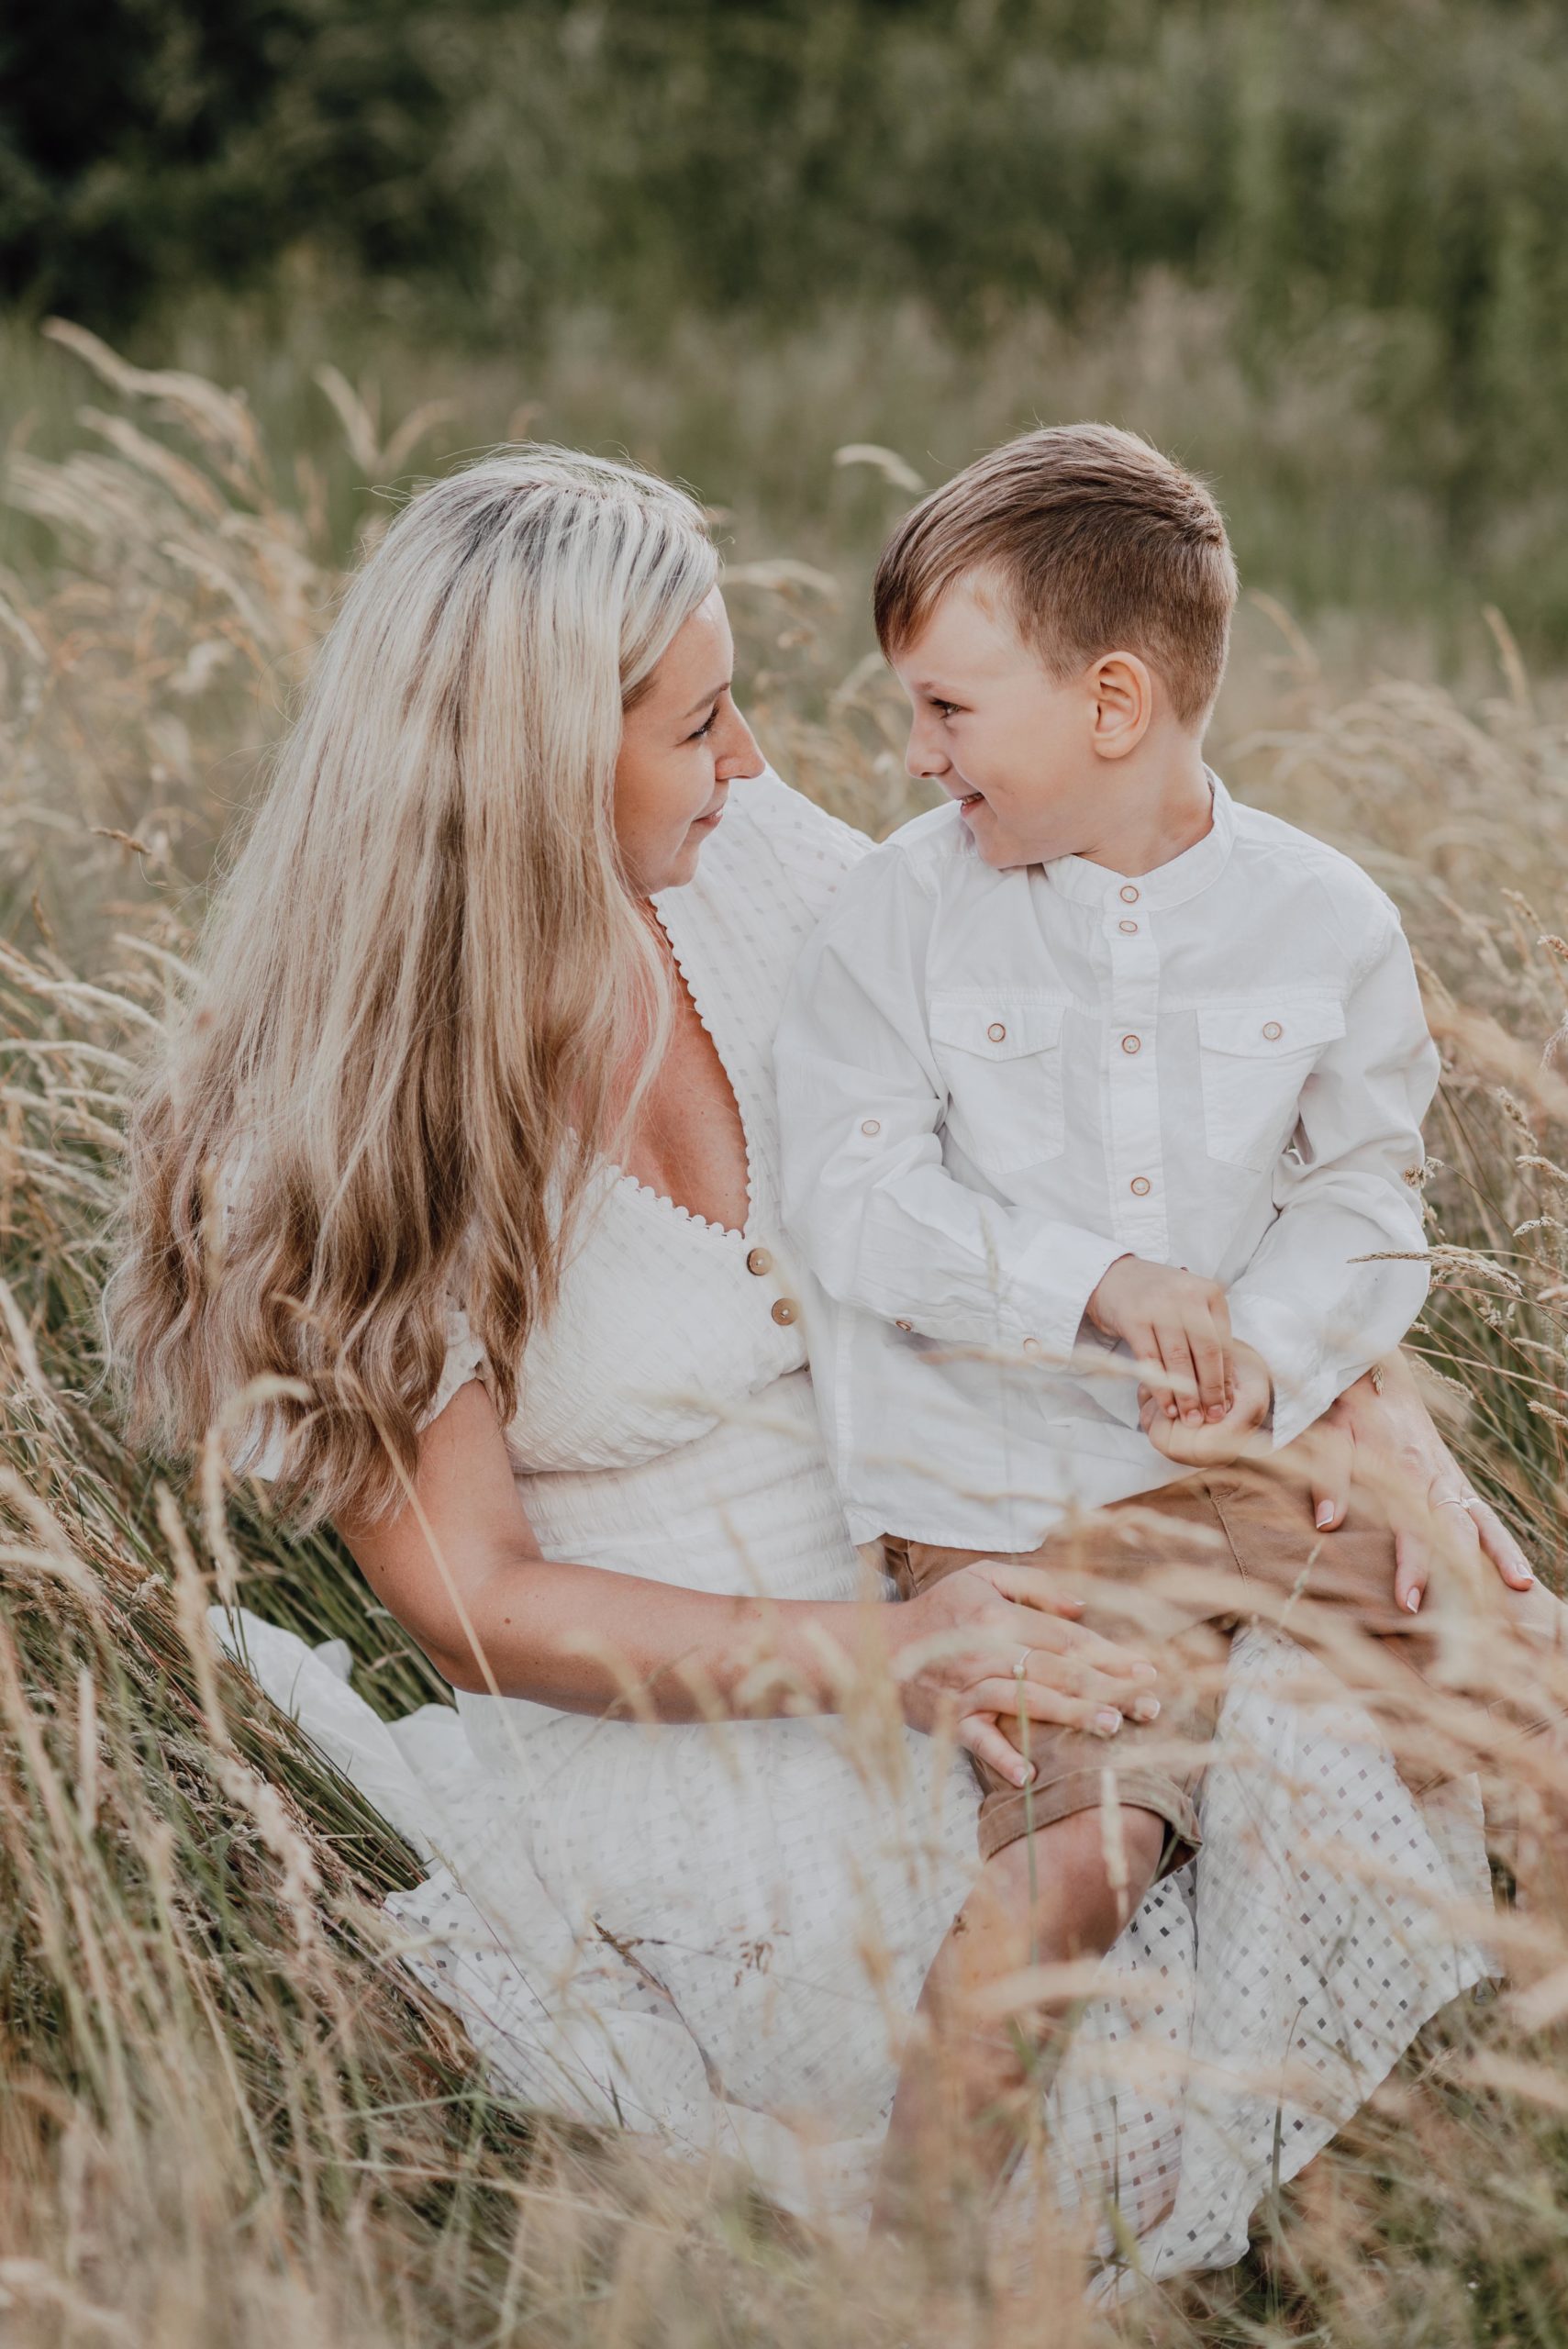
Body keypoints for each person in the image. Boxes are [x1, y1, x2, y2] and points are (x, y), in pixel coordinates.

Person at [106, 445, 1531, 2283]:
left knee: (1467, 1665)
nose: (750, 762)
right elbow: (473, 1601)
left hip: (1030, 1505)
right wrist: (897, 1654)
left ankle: (1498, 2214)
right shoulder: (337, 1130)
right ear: (542, 766)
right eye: (699, 725)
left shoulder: (769, 872)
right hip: (719, 1709)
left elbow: (1153, 1166)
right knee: (1012, 1962)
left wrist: (1369, 1411)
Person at [773, 423, 1566, 2214]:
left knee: (1541, 1723)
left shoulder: (1321, 919)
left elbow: (1364, 1197)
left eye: (948, 708)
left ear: (1114, 703)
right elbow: (850, 1189)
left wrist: (1269, 1351)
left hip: (1268, 1473)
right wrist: (1098, 1286)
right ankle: (904, 2267)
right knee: (1076, 1863)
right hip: (1016, 1501)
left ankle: (1528, 2196)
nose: (917, 753)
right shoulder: (901, 912)